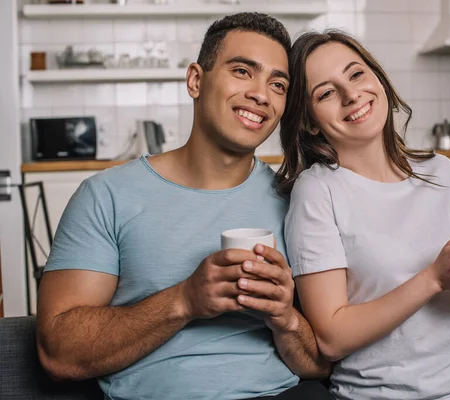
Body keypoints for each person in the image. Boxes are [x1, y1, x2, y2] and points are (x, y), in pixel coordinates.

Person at [36, 13, 333, 400]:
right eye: (242, 71)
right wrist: (185, 300)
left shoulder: (297, 199)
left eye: (278, 84)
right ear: (196, 80)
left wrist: (285, 318)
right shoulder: (105, 196)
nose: (262, 94)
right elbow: (58, 354)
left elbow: (319, 364)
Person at [277, 30, 450, 400]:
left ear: (378, 79)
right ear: (310, 121)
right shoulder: (317, 191)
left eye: (357, 74)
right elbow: (331, 338)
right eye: (326, 93)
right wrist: (433, 278)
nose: (351, 95)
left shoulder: (440, 170)